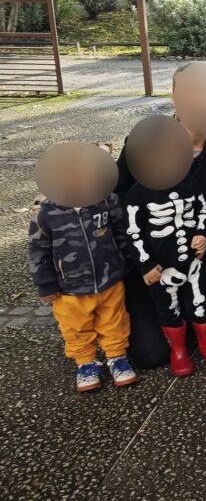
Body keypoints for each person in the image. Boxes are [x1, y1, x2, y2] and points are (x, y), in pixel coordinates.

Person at [114, 63, 206, 370]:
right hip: (150, 261)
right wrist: (141, 261)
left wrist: (205, 231)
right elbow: (118, 198)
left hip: (198, 254)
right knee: (150, 355)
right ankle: (166, 319)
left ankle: (196, 320)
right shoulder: (146, 141)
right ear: (173, 98)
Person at [123, 117, 206, 377]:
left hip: (193, 262)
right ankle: (179, 350)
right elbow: (133, 232)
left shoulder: (189, 183)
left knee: (199, 301)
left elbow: (203, 210)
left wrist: (203, 234)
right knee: (167, 307)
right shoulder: (137, 195)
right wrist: (145, 265)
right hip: (161, 268)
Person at [28, 143, 138, 392]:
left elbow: (121, 232)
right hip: (69, 288)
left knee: (114, 319)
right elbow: (37, 251)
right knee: (75, 326)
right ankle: (85, 362)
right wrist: (45, 284)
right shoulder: (46, 214)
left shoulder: (106, 202)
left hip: (109, 278)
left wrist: (126, 262)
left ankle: (116, 356)